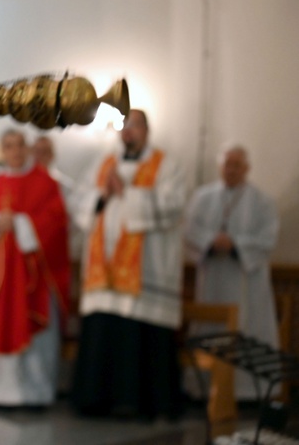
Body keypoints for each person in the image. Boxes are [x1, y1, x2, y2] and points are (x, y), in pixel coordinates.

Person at [70, 109, 187, 420]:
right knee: (103, 331)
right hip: (103, 272)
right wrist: (102, 194)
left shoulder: (167, 164)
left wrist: (129, 195)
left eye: (135, 126)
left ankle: (147, 404)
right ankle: (96, 402)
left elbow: (175, 205)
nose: (128, 132)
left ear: (147, 130)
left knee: (143, 336)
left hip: (147, 270)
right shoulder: (102, 162)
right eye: (124, 126)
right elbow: (79, 202)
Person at [0, 129, 70, 408]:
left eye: (20, 145)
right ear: (2, 150)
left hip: (29, 276)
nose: (15, 151)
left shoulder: (45, 183)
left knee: (34, 333)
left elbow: (56, 222)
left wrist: (21, 224)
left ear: (28, 148)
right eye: (9, 146)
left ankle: (34, 394)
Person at [184, 144, 280, 400]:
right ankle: (203, 391)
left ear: (247, 168)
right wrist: (210, 241)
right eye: (227, 164)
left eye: (237, 165)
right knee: (210, 328)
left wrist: (235, 244)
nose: (231, 169)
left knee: (246, 328)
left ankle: (247, 394)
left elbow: (267, 239)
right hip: (212, 279)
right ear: (220, 167)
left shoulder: (262, 201)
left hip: (245, 282)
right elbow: (190, 231)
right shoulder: (203, 197)